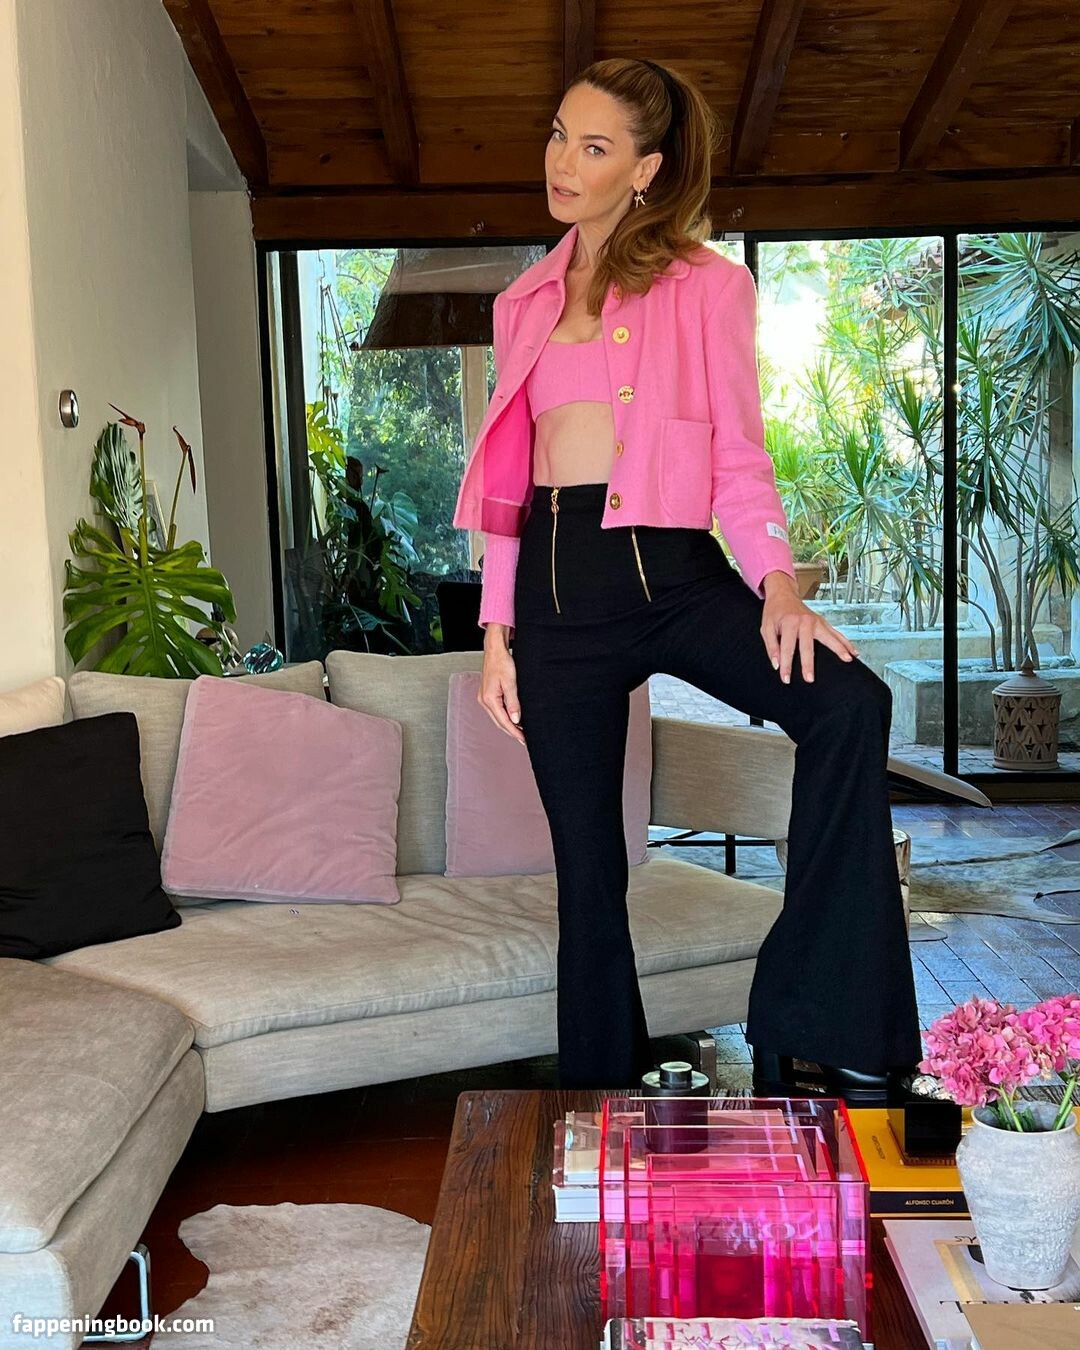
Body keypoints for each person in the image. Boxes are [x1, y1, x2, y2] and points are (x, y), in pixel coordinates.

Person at [451, 57, 922, 1102]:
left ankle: (818, 1016)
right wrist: (496, 633)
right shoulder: (522, 302)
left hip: (675, 571)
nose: (563, 161)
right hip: (559, 593)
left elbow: (739, 456)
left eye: (595, 146)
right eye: (559, 134)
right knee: (588, 879)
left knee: (850, 703)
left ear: (646, 170)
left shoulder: (709, 287)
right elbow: (507, 485)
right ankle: (600, 1109)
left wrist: (779, 585)